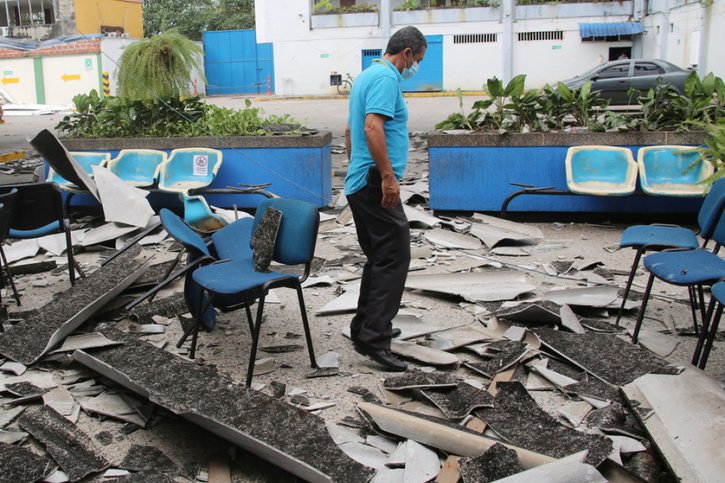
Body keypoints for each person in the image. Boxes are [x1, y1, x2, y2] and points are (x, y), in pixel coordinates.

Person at [344, 26, 427, 371]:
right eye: (417, 60)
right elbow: (371, 127)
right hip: (374, 181)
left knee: (381, 257)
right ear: (406, 53)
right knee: (394, 258)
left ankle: (365, 330)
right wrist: (387, 178)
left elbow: (349, 130)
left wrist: (357, 168)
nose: (415, 67)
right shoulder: (386, 78)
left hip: (363, 179)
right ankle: (375, 339)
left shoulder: (368, 75)